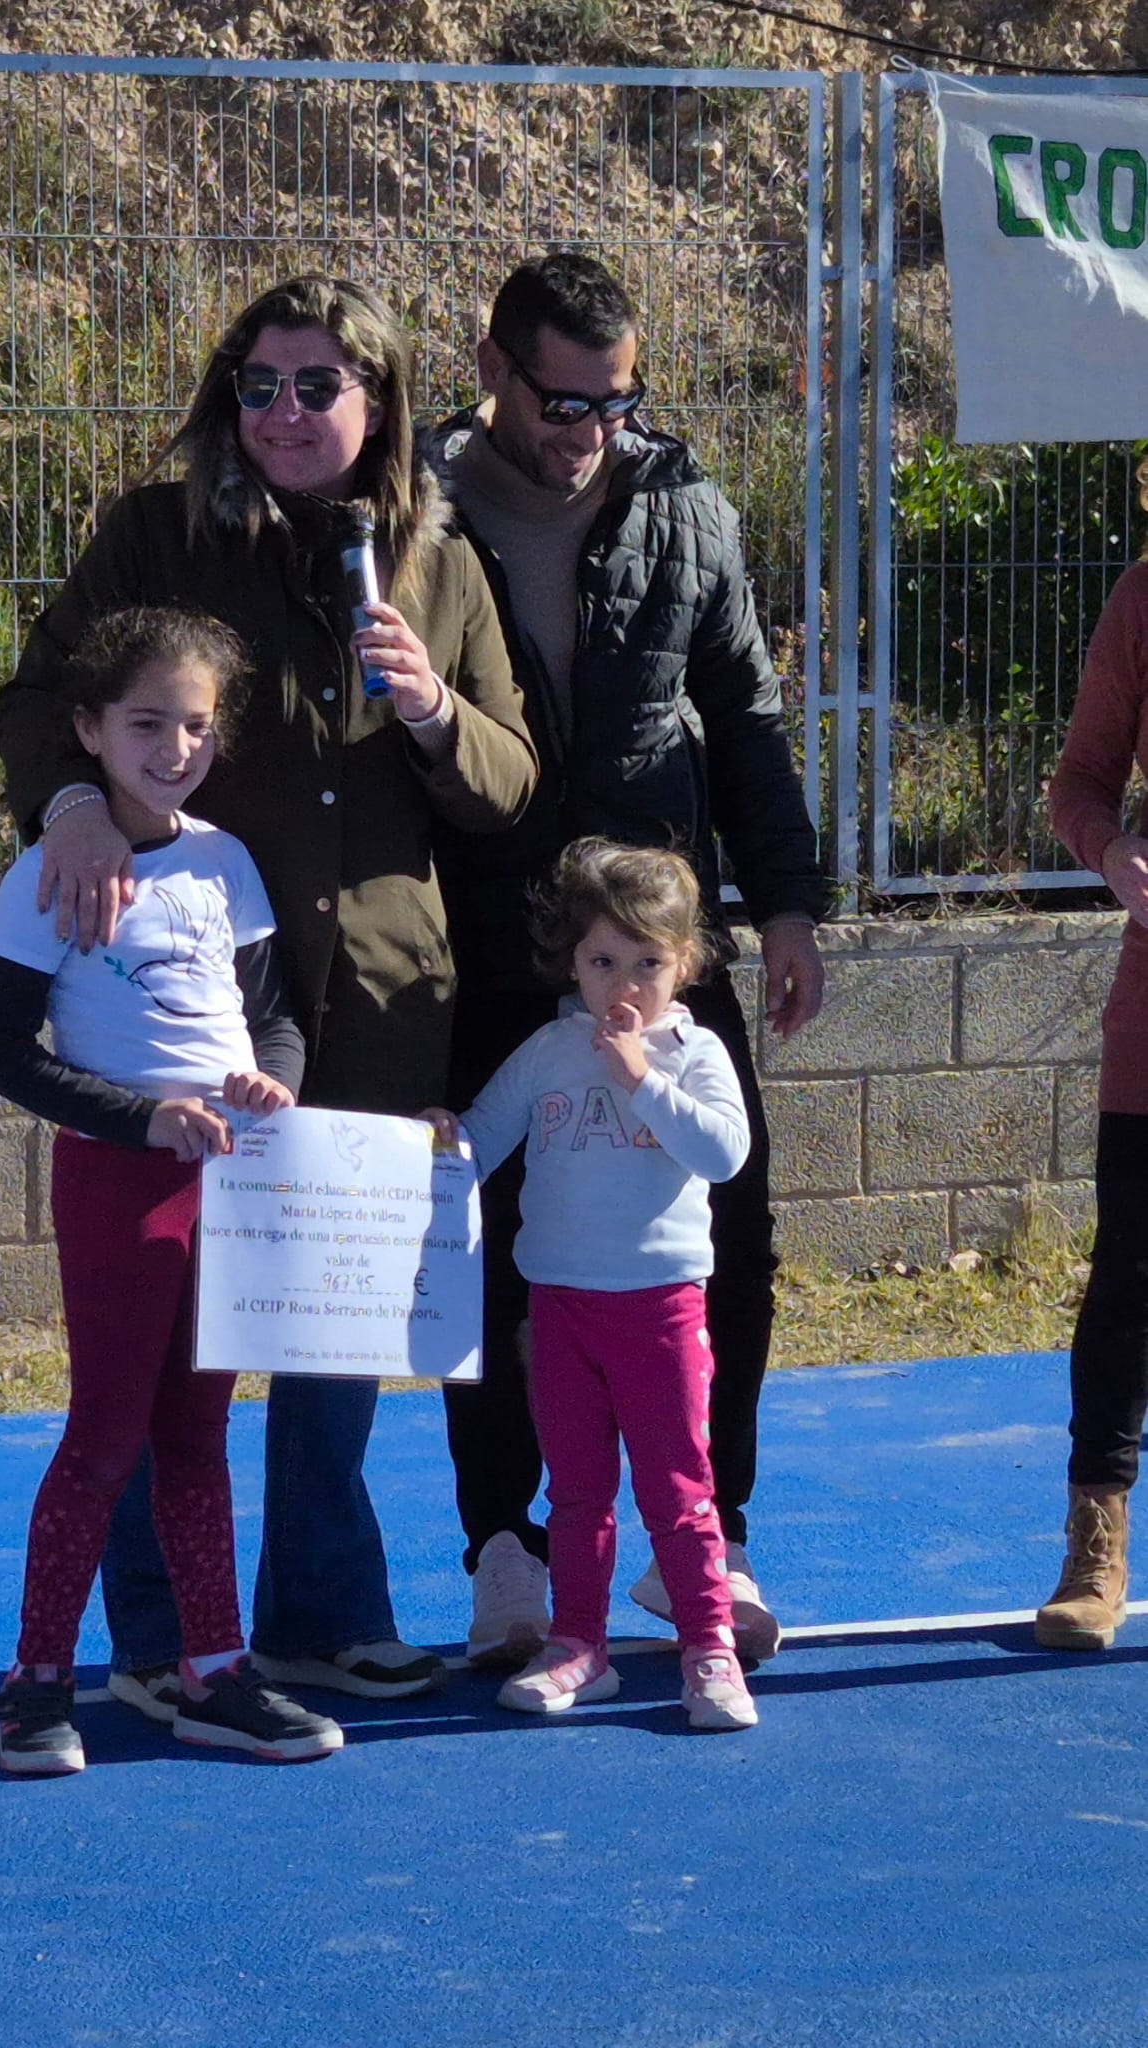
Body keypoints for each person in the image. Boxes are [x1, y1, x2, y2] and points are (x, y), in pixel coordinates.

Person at [0, 277, 538, 1718]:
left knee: (330, 1323)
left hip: (370, 992)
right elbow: (37, 698)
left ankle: (320, 1613)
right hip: (185, 1007)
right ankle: (162, 1640)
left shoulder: (436, 554)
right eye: (258, 384)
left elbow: (507, 783)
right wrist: (69, 806)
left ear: (380, 403)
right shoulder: (155, 534)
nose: (285, 414)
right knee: (163, 1340)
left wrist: (431, 708)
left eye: (317, 386)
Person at [429, 251, 831, 1673]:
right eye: (559, 399)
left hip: (665, 942)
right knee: (484, 1243)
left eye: (614, 398)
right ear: (491, 367)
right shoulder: (414, 514)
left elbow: (751, 718)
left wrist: (784, 903)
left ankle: (701, 1540)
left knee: (731, 1238)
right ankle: (505, 1551)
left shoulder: (684, 507)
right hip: (483, 943)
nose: (588, 426)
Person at [0, 606, 344, 1775]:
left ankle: (215, 1669)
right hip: (120, 1181)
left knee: (197, 1433)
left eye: (193, 724)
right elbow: (1, 1051)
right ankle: (38, 1682)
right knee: (106, 1432)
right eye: (145, 722)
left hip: (230, 1184)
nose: (173, 746)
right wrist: (142, 1115)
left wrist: (267, 1083)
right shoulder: (51, 872)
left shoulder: (227, 862)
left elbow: (274, 1015)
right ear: (86, 729)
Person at [423, 840, 759, 1731]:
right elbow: (481, 1143)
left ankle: (708, 1647)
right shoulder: (546, 1051)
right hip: (560, 1309)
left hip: (661, 1309)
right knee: (574, 1494)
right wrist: (435, 1134)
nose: (624, 983)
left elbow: (724, 1156)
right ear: (569, 961)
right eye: (602, 960)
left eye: (647, 962)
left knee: (679, 1489)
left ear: (684, 962)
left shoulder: (697, 1055)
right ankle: (580, 1645)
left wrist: (642, 1079)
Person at [1033, 504, 1148, 1653]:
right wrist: (1113, 853)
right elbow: (1080, 783)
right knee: (1130, 1286)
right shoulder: (1142, 599)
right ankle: (1095, 1539)